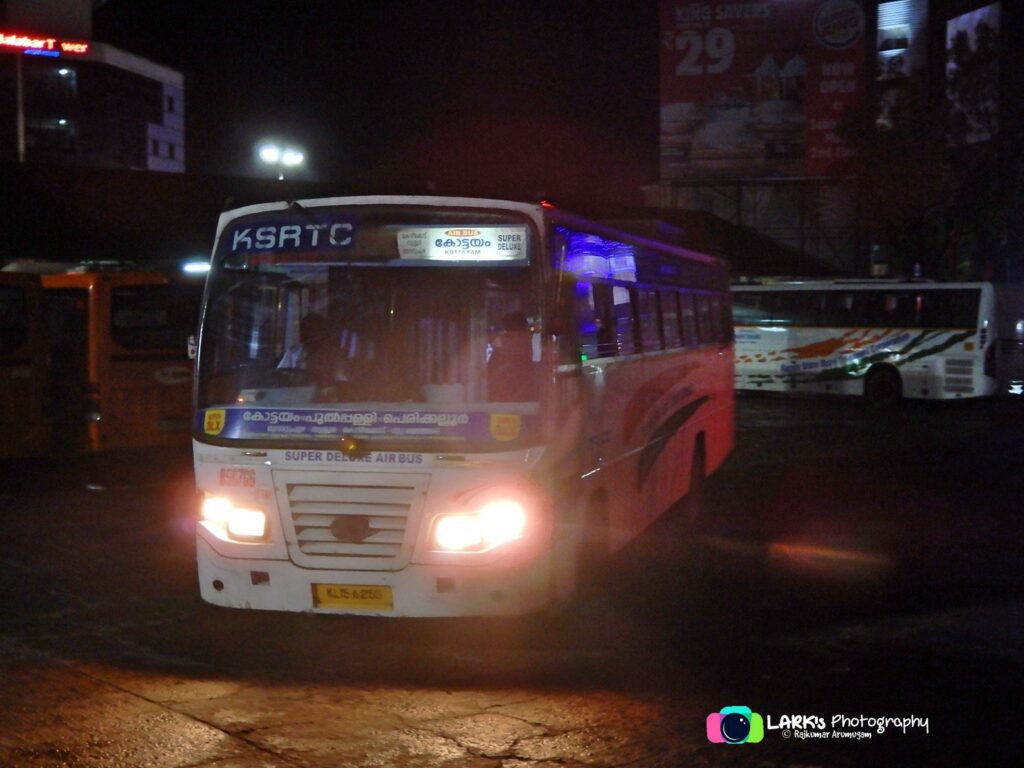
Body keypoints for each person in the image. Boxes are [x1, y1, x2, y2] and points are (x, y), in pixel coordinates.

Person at [278, 313, 340, 388]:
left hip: (324, 396)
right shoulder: (293, 352)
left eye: (315, 330)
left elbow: (340, 381)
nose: (311, 334)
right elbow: (280, 376)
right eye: (307, 330)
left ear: (323, 332)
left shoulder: (333, 354)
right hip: (296, 395)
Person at [488, 311, 538, 401]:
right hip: (503, 400)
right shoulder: (499, 345)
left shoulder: (534, 343)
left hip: (526, 399)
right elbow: (491, 370)